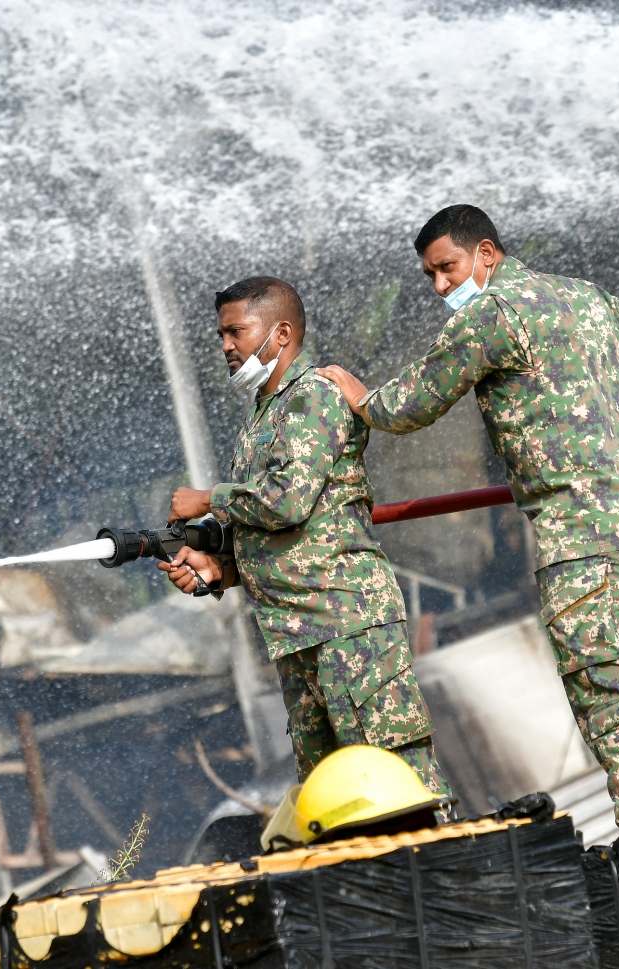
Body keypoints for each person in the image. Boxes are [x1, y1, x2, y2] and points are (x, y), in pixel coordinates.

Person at [318, 204, 619, 837]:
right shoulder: (581, 296)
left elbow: (408, 406)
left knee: (610, 691)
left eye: (447, 268)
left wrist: (358, 395)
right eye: (430, 276)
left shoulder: (492, 315)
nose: (440, 286)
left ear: (485, 255)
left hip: (583, 543)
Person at [162, 276, 453, 810]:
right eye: (221, 334)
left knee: (397, 781)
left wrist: (207, 499)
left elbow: (287, 500)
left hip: (348, 624)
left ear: (281, 333)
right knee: (333, 795)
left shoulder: (313, 395)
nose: (226, 345)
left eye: (236, 331)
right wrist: (218, 569)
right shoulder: (262, 413)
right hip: (297, 632)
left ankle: (447, 876)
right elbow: (283, 529)